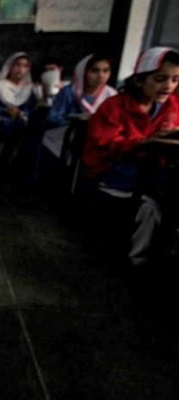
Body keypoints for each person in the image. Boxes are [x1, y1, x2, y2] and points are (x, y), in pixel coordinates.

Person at [82, 47, 179, 267]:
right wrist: (146, 142)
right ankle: (139, 259)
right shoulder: (113, 106)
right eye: (160, 79)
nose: (169, 86)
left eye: (175, 79)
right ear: (139, 80)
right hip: (112, 170)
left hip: (150, 169)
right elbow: (105, 145)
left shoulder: (170, 104)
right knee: (156, 201)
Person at [46, 54, 116, 129]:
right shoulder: (69, 91)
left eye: (106, 71)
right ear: (83, 72)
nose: (101, 76)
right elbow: (52, 118)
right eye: (94, 71)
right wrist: (75, 119)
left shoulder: (111, 94)